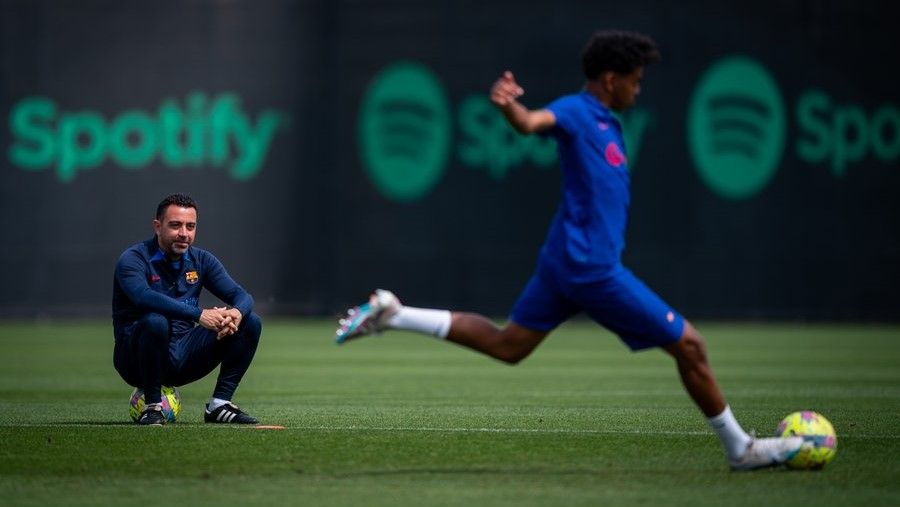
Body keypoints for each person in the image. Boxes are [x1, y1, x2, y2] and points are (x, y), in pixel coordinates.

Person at [335, 30, 803, 470]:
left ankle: (396, 315)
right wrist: (510, 110)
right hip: (590, 270)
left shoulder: (609, 123)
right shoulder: (579, 112)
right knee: (690, 345)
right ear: (611, 79)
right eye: (635, 82)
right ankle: (740, 449)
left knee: (509, 345)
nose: (638, 91)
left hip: (564, 262)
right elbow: (533, 121)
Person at [112, 193, 262, 425]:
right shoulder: (133, 259)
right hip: (135, 360)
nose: (184, 233)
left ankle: (219, 405)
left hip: (182, 356)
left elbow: (242, 296)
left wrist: (236, 313)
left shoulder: (201, 260)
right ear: (157, 226)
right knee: (155, 321)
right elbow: (142, 297)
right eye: (175, 225)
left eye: (190, 226)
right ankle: (153, 406)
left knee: (250, 321)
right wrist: (199, 315)